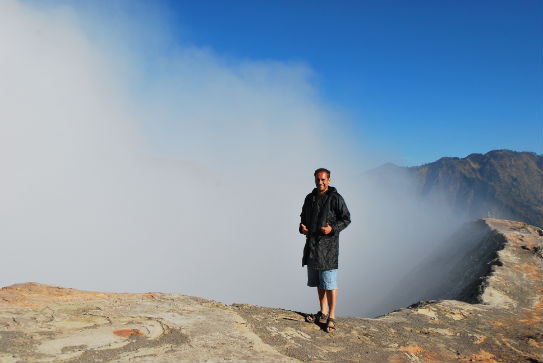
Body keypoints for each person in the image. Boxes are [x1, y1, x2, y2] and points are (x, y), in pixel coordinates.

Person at [299, 168, 351, 333]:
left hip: (328, 248)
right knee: (319, 282)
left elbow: (346, 218)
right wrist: (302, 228)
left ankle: (332, 317)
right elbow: (302, 218)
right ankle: (323, 311)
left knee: (330, 283)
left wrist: (333, 229)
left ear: (329, 180)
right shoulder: (310, 198)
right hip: (313, 247)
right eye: (317, 179)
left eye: (323, 179)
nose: (320, 182)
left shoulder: (335, 198)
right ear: (314, 180)